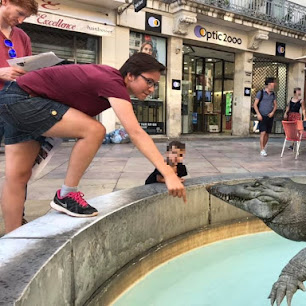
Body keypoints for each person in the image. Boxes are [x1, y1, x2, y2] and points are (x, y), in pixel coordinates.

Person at [0, 52, 186, 233]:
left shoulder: (109, 79)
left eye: (156, 84)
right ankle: (66, 195)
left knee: (17, 177)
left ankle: (13, 243)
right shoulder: (113, 82)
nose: (152, 89)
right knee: (94, 130)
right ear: (130, 75)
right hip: (24, 100)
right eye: (149, 81)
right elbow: (136, 133)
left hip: (15, 98)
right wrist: (168, 172)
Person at [0, 0, 37, 148]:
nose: (21, 21)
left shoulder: (22, 37)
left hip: (14, 106)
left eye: (25, 17)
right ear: (5, 1)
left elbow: (29, 69)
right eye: (20, 13)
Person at [253, 77, 277, 157]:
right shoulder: (261, 93)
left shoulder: (273, 94)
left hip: (269, 116)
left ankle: (263, 147)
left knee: (267, 133)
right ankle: (262, 149)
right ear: (269, 84)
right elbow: (255, 104)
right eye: (273, 84)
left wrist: (273, 112)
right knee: (262, 132)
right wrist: (258, 114)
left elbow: (275, 105)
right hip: (262, 115)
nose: (274, 85)